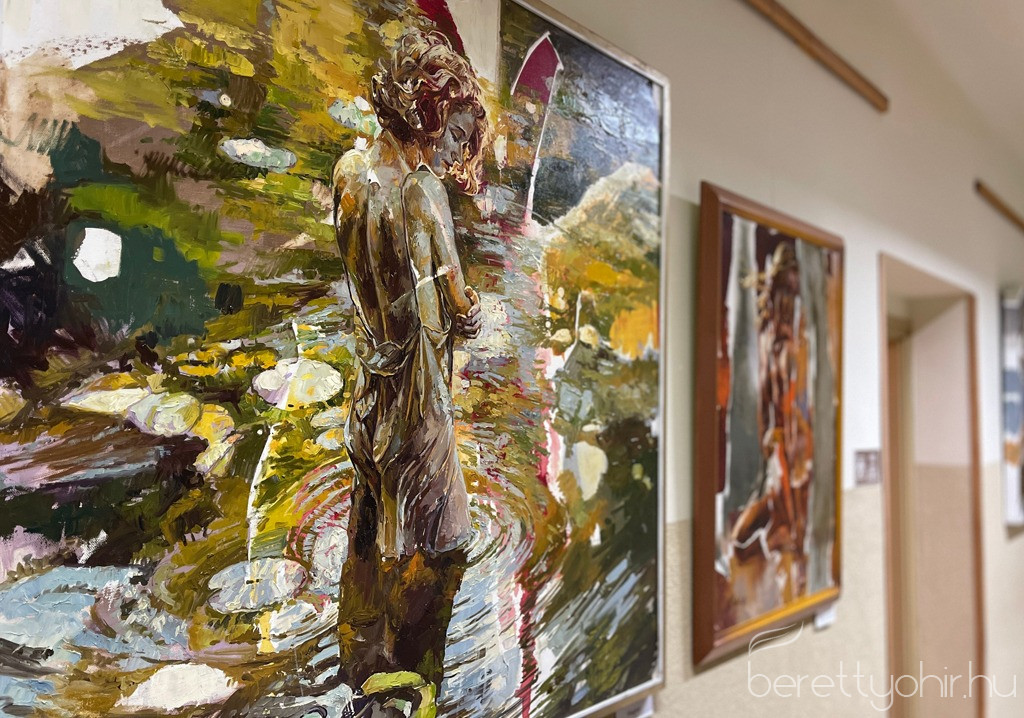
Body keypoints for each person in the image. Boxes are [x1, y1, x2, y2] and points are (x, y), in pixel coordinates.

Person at [331, 29, 488, 716]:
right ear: (429, 111)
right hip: (418, 408)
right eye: (454, 133)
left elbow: (368, 285)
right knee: (442, 553)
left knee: (366, 551)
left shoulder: (348, 173)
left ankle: (357, 679)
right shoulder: (423, 192)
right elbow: (456, 304)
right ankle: (406, 696)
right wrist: (474, 313)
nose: (454, 152)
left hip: (369, 399)